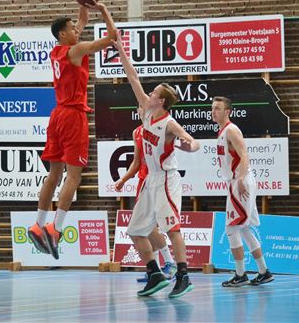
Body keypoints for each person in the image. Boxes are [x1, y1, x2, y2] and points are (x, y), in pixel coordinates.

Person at [28, 0, 117, 259]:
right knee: (74, 176)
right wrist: (104, 12)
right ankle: (56, 228)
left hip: (56, 115)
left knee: (53, 175)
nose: (77, 31)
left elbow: (80, 22)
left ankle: (38, 225)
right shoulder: (77, 50)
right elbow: (112, 38)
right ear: (63, 35)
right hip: (73, 116)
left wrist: (83, 2)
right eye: (72, 30)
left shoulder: (59, 51)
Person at [113, 33, 200, 298]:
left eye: (154, 93)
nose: (148, 94)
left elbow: (193, 142)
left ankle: (183, 275)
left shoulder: (170, 123)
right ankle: (155, 273)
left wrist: (187, 145)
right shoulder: (146, 112)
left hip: (166, 179)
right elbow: (133, 78)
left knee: (173, 228)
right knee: (136, 231)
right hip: (150, 180)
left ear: (161, 101)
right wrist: (121, 51)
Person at [211, 96, 274, 287]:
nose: (214, 112)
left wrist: (239, 178)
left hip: (241, 181)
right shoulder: (223, 131)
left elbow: (244, 153)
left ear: (228, 111)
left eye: (218, 109)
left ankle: (240, 274)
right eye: (213, 108)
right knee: (244, 228)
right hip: (236, 180)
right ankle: (263, 271)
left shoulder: (231, 130)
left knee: (231, 228)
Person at [114, 120, 177, 282]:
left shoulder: (160, 128)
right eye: (140, 108)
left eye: (145, 107)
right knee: (145, 228)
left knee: (151, 227)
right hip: (144, 182)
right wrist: (123, 180)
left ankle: (170, 262)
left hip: (159, 180)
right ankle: (154, 270)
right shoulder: (137, 132)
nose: (143, 111)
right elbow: (136, 162)